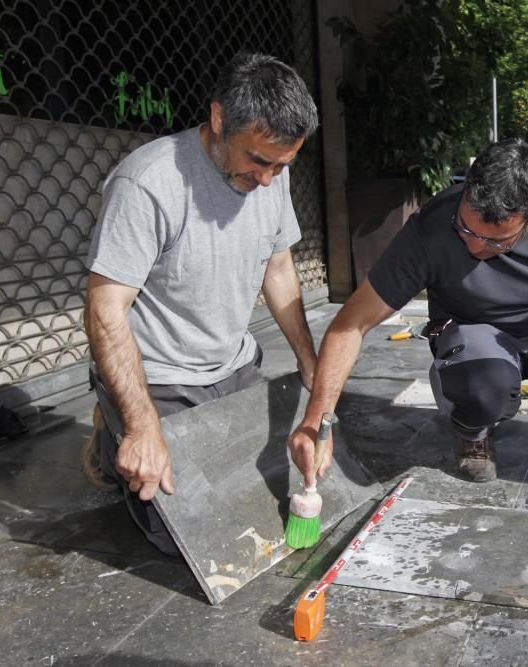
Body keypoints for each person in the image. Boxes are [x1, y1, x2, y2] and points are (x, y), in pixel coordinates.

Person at [289, 138, 528, 527]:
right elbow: (348, 325)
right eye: (465, 228)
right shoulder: (430, 227)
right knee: (486, 389)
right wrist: (314, 421)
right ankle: (472, 427)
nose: (474, 246)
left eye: (494, 240)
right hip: (477, 344)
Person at [83, 53, 320, 554]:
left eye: (284, 165)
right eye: (258, 160)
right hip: (160, 375)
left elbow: (278, 270)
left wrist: (310, 366)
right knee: (188, 536)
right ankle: (115, 435)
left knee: (270, 491)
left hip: (232, 365)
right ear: (218, 119)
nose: (268, 181)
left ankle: (146, 428)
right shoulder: (147, 183)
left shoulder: (269, 176)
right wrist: (143, 430)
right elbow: (105, 309)